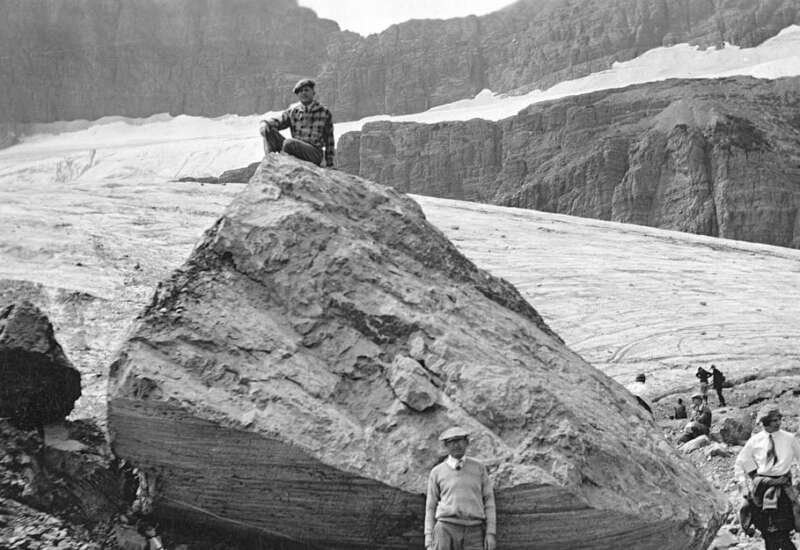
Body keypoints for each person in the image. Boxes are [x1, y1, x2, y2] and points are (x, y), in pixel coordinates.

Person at [735, 404, 800, 550]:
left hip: (783, 486)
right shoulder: (755, 440)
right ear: (765, 422)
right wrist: (743, 485)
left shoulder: (789, 439)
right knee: (763, 526)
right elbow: (740, 462)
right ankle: (747, 529)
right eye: (774, 420)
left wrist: (798, 482)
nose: (778, 423)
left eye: (779, 419)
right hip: (761, 487)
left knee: (784, 527)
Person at [425, 426, 496, 550]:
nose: (456, 445)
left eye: (459, 440)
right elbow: (430, 507)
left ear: (467, 442)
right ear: (446, 446)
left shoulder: (479, 468)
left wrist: (490, 533)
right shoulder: (437, 472)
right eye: (451, 442)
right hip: (445, 529)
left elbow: (489, 501)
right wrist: (428, 537)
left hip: (474, 530)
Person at [259, 78, 335, 168]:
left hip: (314, 153)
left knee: (289, 143)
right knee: (268, 130)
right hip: (294, 149)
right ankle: (270, 163)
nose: (303, 93)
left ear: (313, 93)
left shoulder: (324, 112)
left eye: (306, 90)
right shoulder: (293, 111)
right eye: (300, 91)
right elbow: (278, 121)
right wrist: (264, 124)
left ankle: (283, 164)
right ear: (298, 95)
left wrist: (330, 164)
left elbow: (329, 140)